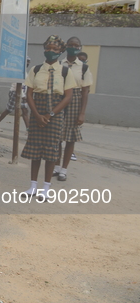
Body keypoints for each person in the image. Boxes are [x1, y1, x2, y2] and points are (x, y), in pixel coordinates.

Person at [21, 35, 76, 201]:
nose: (51, 51)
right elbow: (29, 93)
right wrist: (37, 115)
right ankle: (32, 186)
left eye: (55, 49)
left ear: (60, 52)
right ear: (44, 49)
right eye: (48, 48)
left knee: (52, 150)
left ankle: (46, 187)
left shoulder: (66, 72)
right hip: (37, 111)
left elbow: (67, 97)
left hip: (55, 114)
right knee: (35, 150)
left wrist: (50, 114)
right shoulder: (36, 70)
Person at [53, 37, 93, 181]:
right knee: (56, 134)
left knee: (70, 138)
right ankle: (56, 166)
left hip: (75, 101)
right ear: (66, 46)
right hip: (59, 99)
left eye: (76, 45)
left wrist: (82, 112)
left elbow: (85, 92)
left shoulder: (83, 67)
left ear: (80, 47)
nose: (73, 47)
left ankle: (64, 169)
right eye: (71, 45)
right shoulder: (58, 63)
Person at [0, 57, 31, 132]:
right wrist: (23, 95)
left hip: (21, 93)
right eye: (26, 61)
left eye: (29, 62)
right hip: (15, 92)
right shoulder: (19, 71)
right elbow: (17, 84)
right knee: (9, 110)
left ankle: (28, 129)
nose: (28, 63)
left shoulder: (25, 72)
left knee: (25, 111)